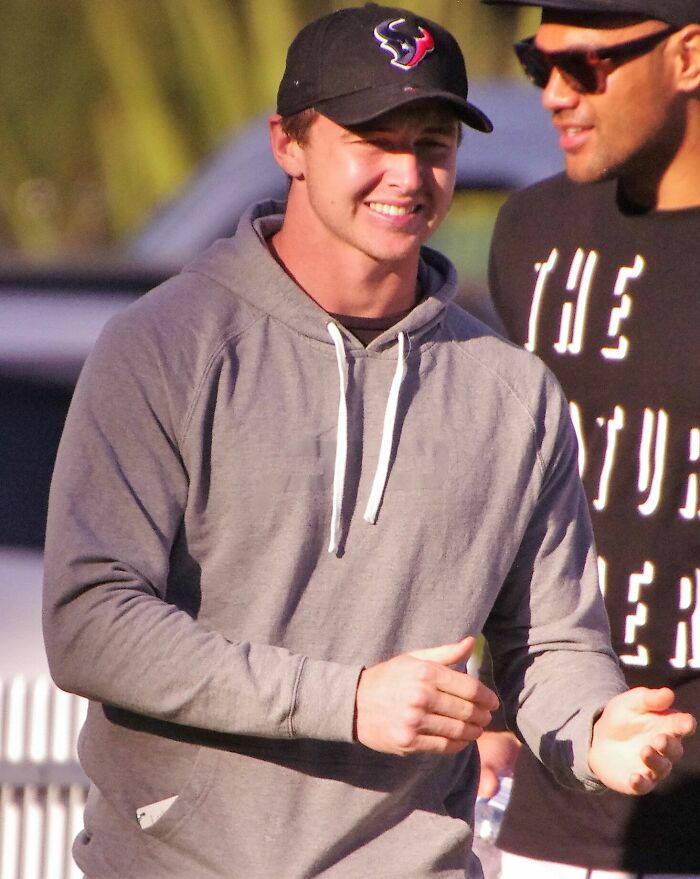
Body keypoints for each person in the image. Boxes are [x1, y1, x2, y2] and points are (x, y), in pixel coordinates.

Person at [42, 4, 695, 878]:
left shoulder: (509, 389)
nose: (407, 172)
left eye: (432, 140)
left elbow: (552, 644)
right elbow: (89, 620)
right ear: (288, 144)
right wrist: (347, 701)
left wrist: (593, 730)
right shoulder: (165, 346)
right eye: (372, 138)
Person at [479, 0, 700, 875]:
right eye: (541, 66)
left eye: (587, 67)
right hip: (549, 793)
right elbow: (503, 498)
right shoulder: (532, 236)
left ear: (688, 56)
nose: (554, 96)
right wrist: (493, 715)